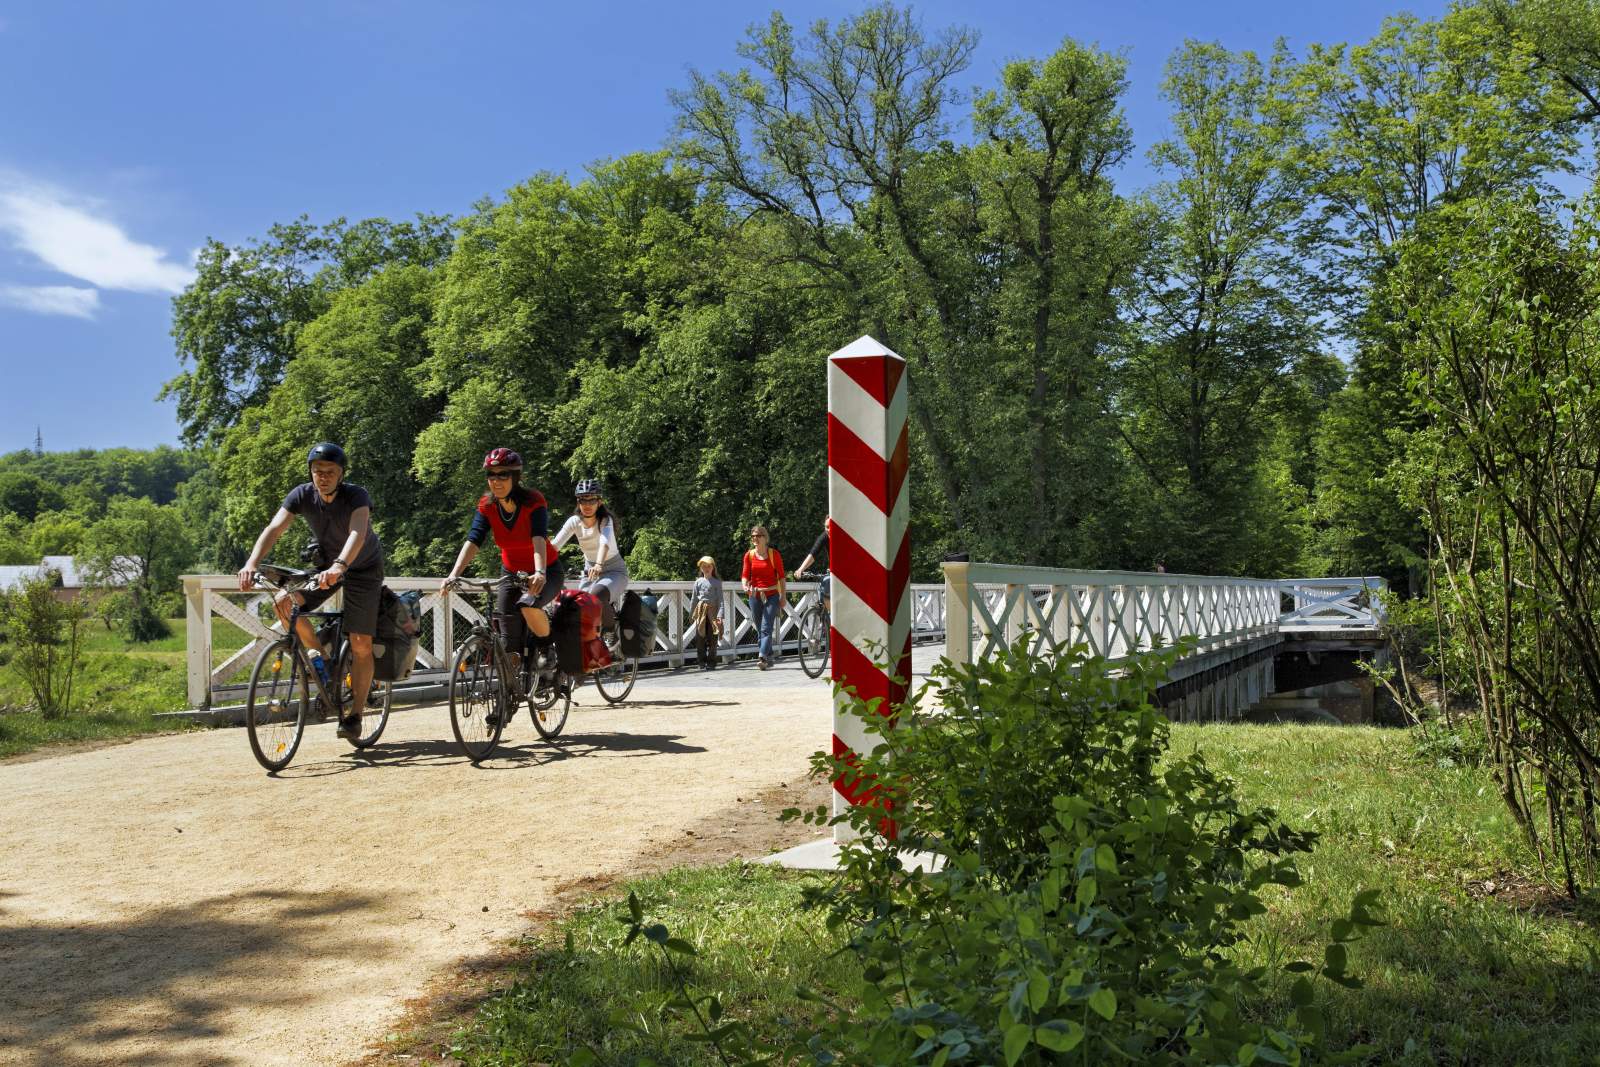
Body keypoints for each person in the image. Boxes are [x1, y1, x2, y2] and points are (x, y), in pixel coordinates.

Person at [238, 442, 382, 740]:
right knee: (283, 602)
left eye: (330, 471)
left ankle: (355, 714)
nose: (323, 476)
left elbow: (358, 531)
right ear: (310, 473)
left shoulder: (357, 496)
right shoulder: (302, 495)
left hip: (363, 569)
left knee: (360, 643)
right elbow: (274, 529)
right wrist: (252, 562)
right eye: (317, 471)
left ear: (341, 474)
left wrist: (341, 565)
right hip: (328, 566)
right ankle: (322, 657)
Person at [441, 448, 565, 687]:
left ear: (515, 477)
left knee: (528, 606)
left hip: (546, 568)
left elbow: (538, 537)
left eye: (503, 475)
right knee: (507, 637)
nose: (496, 481)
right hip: (511, 571)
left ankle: (546, 647)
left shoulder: (533, 501)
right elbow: (474, 539)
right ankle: (507, 693)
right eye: (491, 475)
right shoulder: (487, 506)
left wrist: (539, 572)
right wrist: (454, 574)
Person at [549, 478, 628, 623]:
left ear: (599, 502)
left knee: (596, 595)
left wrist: (598, 565)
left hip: (614, 571)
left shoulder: (605, 520)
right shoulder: (574, 522)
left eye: (592, 500)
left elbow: (604, 543)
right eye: (583, 501)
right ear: (578, 503)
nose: (587, 505)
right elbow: (554, 546)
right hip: (589, 571)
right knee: (578, 606)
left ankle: (611, 633)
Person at [741, 525, 785, 670]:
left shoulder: (774, 555)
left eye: (758, 536)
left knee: (766, 627)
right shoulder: (749, 555)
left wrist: (783, 596)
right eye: (753, 536)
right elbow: (745, 576)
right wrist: (745, 586)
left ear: (765, 538)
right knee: (760, 628)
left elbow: (782, 578)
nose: (755, 538)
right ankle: (769, 656)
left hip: (772, 594)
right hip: (755, 595)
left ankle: (762, 656)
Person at [688, 555, 723, 670]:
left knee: (713, 638)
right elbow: (694, 599)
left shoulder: (717, 582)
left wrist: (720, 615)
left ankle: (712, 662)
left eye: (708, 566)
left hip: (713, 613)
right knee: (700, 638)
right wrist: (691, 613)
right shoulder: (698, 582)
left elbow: (720, 600)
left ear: (713, 567)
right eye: (704, 566)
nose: (706, 568)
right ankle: (701, 662)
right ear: (701, 568)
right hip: (701, 612)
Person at [793, 519, 831, 612]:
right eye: (826, 527)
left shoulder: (844, 535)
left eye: (831, 527)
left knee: (826, 582)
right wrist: (800, 569)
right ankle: (829, 615)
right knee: (823, 587)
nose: (829, 530)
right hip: (832, 571)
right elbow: (813, 554)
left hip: (845, 571)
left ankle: (832, 618)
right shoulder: (824, 537)